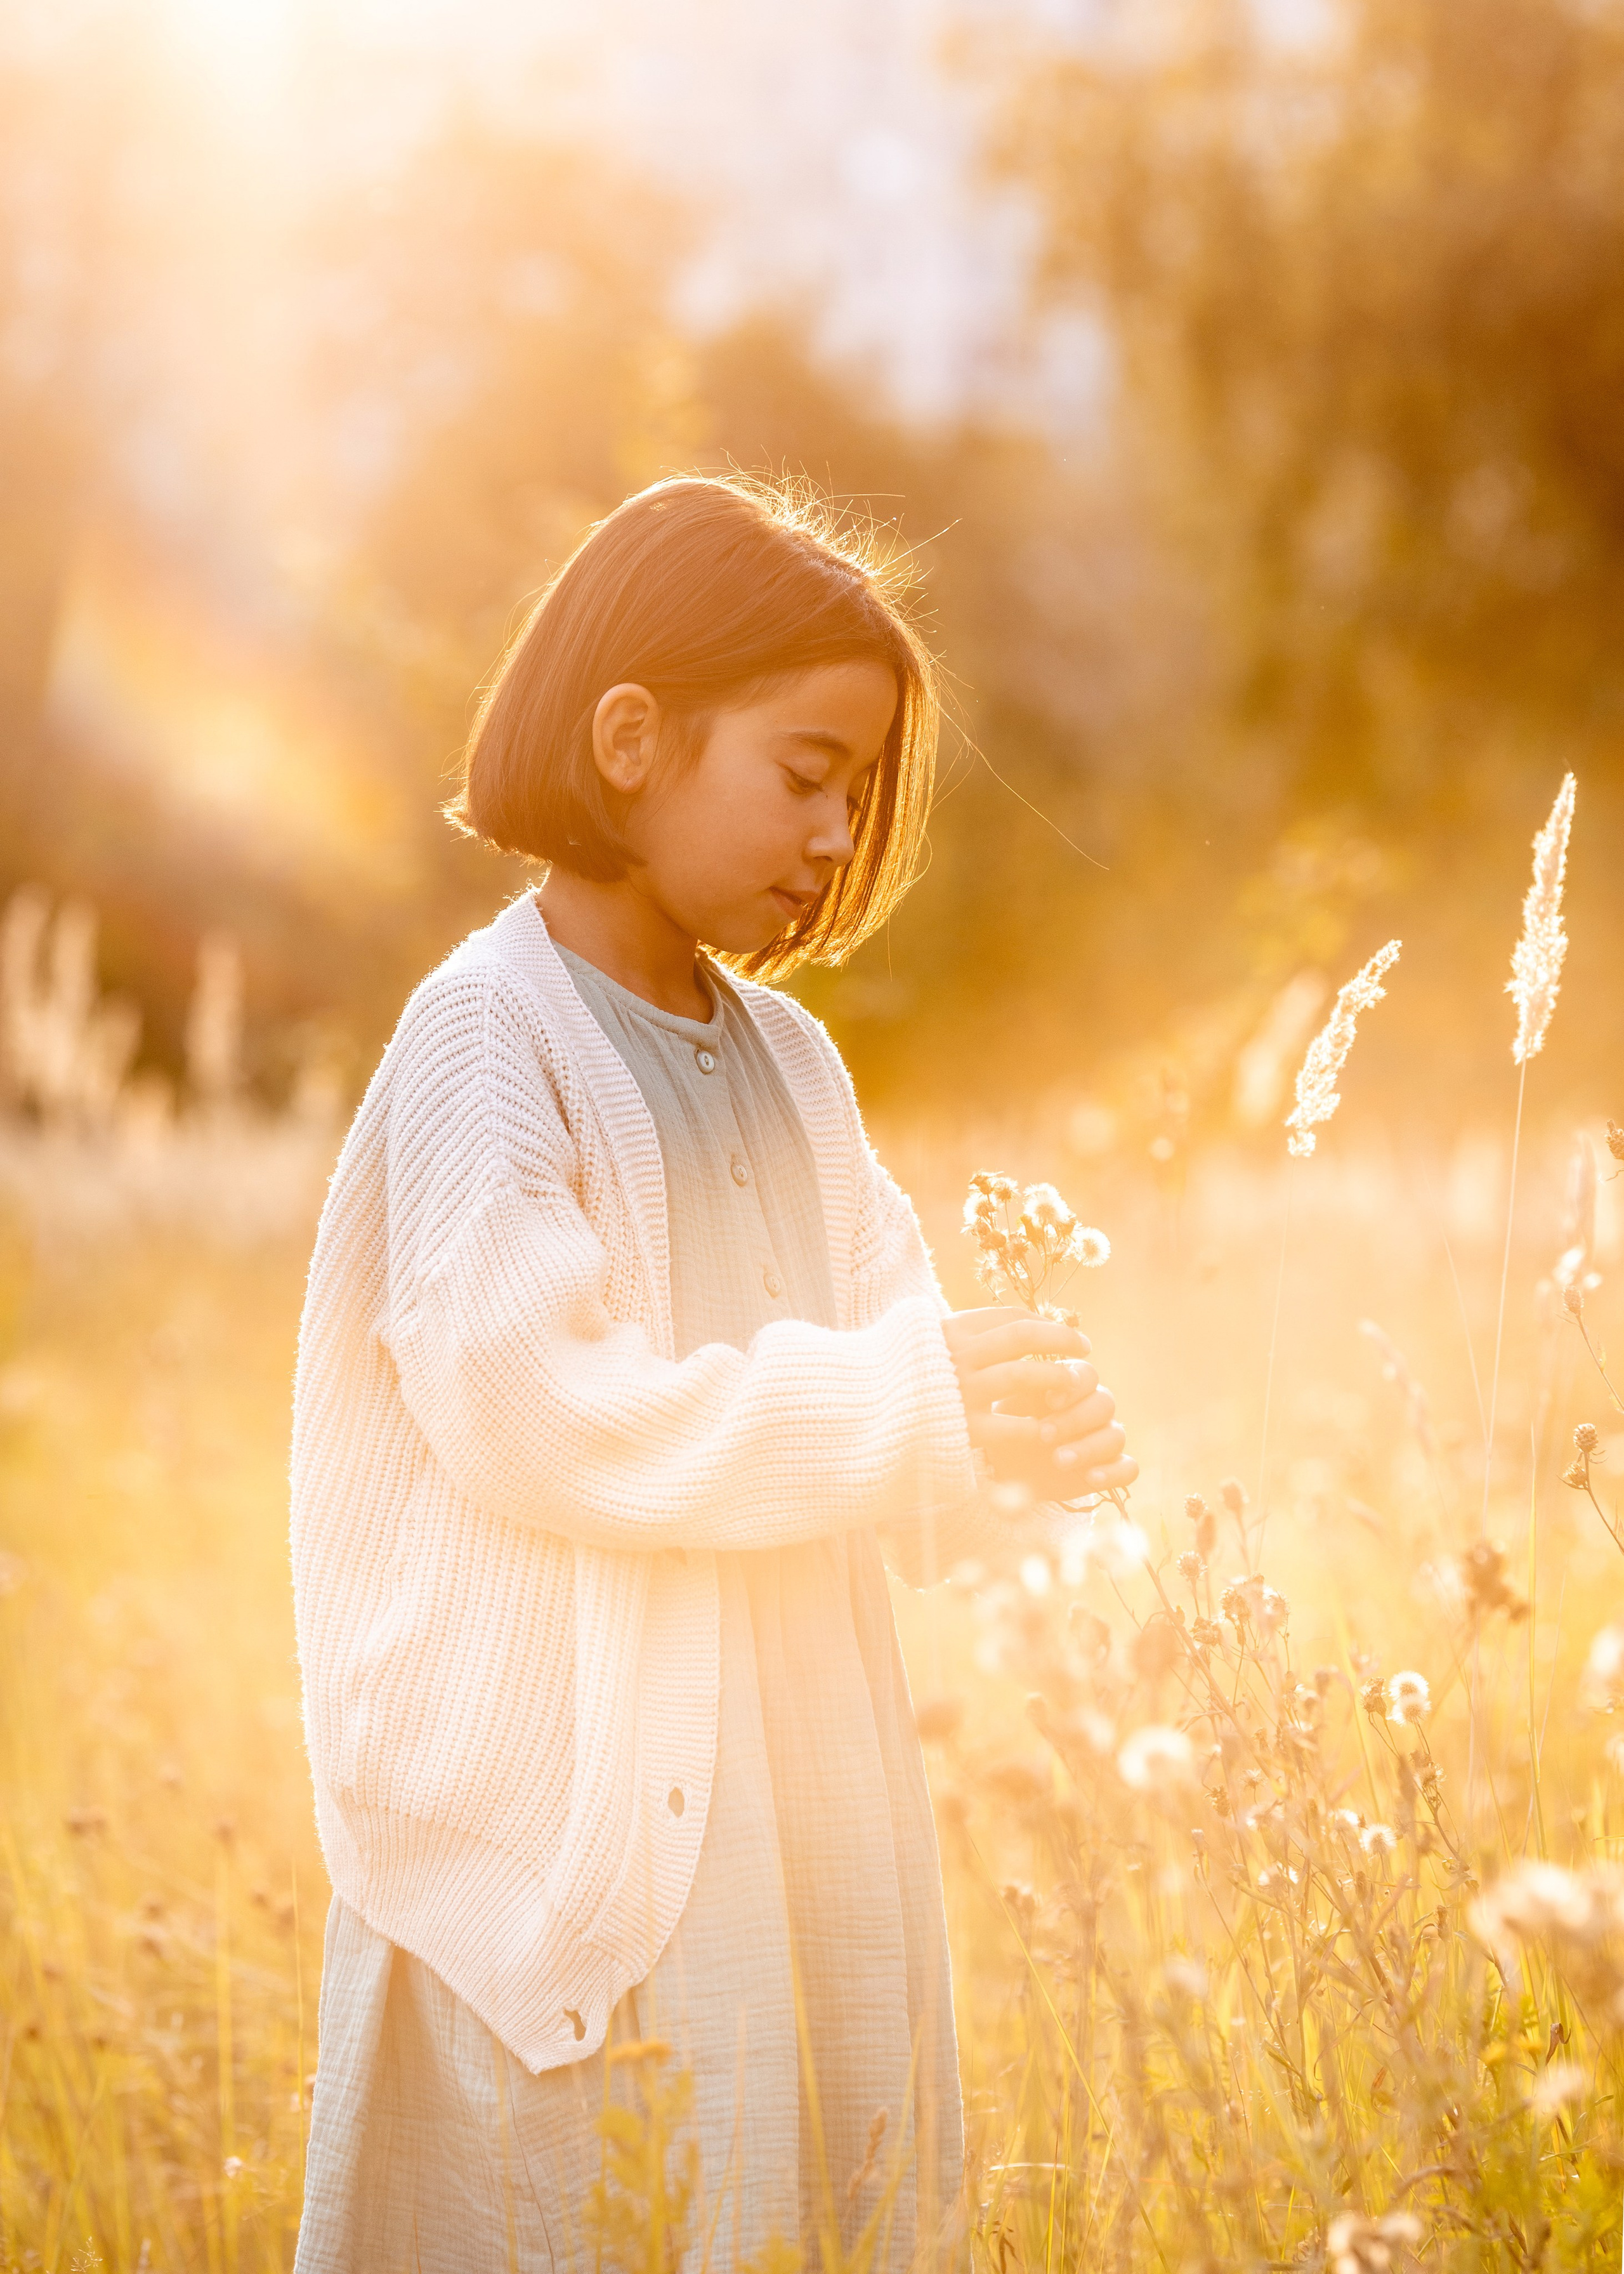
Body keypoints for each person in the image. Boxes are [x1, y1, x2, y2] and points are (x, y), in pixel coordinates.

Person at [289, 473, 1136, 2273]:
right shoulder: (486, 1041)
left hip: (808, 1793)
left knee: (807, 2195)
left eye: (859, 795)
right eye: (806, 773)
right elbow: (536, 1411)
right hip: (612, 1827)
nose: (835, 836)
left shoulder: (794, 1066)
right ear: (629, 742)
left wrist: (1000, 1437)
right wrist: (910, 1408)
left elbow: (892, 1368)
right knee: (617, 2205)